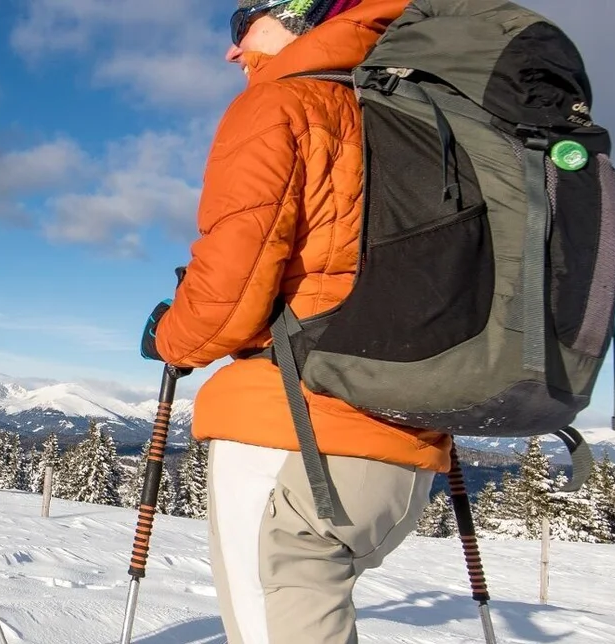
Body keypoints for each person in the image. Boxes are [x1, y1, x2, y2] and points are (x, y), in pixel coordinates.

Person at [140, 1, 452, 642]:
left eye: (242, 25)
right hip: (410, 448)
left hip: (295, 434)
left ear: (297, 12)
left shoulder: (285, 103)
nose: (232, 51)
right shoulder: (427, 107)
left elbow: (227, 296)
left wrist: (168, 335)